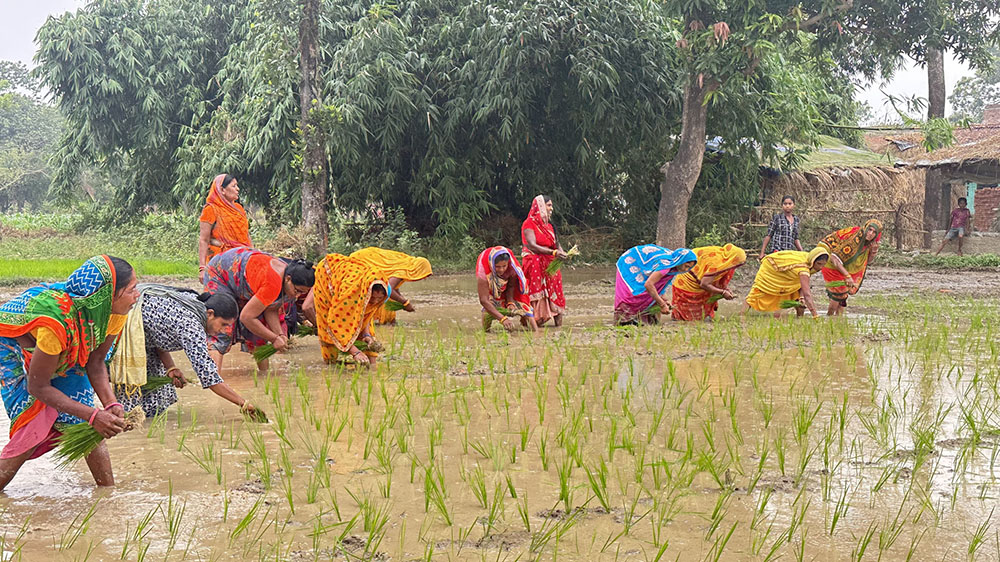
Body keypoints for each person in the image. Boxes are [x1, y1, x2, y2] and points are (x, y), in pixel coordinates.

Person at [0, 256, 139, 491]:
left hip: (68, 345)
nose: (137, 295)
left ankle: (107, 494)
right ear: (107, 296)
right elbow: (39, 387)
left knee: (84, 420)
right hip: (16, 345)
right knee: (35, 423)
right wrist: (94, 416)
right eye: (132, 289)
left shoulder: (114, 312)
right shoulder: (56, 323)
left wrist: (109, 403)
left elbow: (95, 363)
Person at [109, 285, 262, 418]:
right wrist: (243, 403)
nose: (222, 331)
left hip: (145, 338)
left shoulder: (194, 301)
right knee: (131, 406)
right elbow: (211, 379)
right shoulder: (192, 326)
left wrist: (171, 367)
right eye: (222, 324)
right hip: (127, 333)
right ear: (210, 314)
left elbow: (158, 332)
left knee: (157, 401)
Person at [202, 248, 314, 372]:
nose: (297, 296)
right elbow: (247, 317)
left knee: (259, 334)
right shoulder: (273, 283)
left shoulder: (289, 283)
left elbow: (271, 309)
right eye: (297, 291)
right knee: (223, 328)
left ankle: (264, 376)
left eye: (302, 293)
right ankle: (213, 380)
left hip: (246, 283)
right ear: (288, 279)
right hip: (220, 274)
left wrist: (280, 335)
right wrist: (274, 338)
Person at [303, 254, 390, 369]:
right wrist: (355, 352)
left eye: (379, 298)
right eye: (372, 298)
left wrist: (366, 335)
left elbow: (365, 315)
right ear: (366, 292)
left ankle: (372, 368)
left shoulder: (375, 286)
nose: (375, 301)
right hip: (327, 274)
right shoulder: (348, 295)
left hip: (350, 275)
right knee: (326, 325)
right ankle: (331, 365)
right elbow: (335, 324)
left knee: (368, 339)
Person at [614, 245, 697, 325]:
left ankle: (647, 321)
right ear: (680, 261)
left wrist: (663, 299)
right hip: (630, 261)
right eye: (686, 266)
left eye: (689, 267)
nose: (686, 270)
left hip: (645, 262)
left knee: (652, 297)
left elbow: (660, 285)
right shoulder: (665, 267)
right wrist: (662, 304)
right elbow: (649, 285)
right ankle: (625, 320)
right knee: (632, 293)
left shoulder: (674, 265)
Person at [348, 247, 433, 325]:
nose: (424, 278)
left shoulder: (406, 264)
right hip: (362, 260)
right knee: (374, 293)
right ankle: (365, 323)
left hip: (365, 254)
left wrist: (402, 300)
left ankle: (376, 322)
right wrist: (405, 302)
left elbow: (394, 288)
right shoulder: (404, 270)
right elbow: (388, 288)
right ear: (419, 269)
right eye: (425, 274)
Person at [520, 195, 568, 326]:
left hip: (551, 263)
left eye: (551, 205)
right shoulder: (528, 223)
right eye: (549, 205)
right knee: (536, 293)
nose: (551, 208)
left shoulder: (549, 226)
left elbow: (556, 243)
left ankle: (559, 328)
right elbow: (531, 245)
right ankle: (533, 323)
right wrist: (553, 252)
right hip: (534, 263)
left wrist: (562, 252)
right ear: (540, 206)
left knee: (556, 291)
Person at [818, 219, 882, 316]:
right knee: (838, 293)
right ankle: (829, 318)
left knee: (843, 297)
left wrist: (873, 252)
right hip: (830, 262)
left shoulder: (870, 243)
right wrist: (847, 276)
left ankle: (838, 322)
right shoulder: (855, 240)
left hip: (843, 265)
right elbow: (835, 258)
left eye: (874, 232)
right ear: (865, 228)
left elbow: (866, 261)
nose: (870, 234)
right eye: (869, 230)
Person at [743, 247, 829, 318]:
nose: (821, 267)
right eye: (819, 264)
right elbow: (807, 294)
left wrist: (801, 297)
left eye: (823, 265)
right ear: (813, 261)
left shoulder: (810, 260)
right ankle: (741, 316)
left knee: (799, 300)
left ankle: (799, 319)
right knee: (757, 293)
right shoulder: (803, 269)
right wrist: (815, 315)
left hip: (787, 273)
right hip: (771, 268)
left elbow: (802, 285)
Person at [671, 244, 747, 321]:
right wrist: (723, 292)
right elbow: (704, 284)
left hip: (698, 279)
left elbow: (716, 280)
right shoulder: (716, 262)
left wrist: (726, 289)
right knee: (684, 316)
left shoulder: (725, 259)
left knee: (701, 315)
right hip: (687, 283)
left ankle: (704, 318)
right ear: (732, 260)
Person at [199, 174, 253, 283]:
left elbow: (246, 235)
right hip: (221, 262)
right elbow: (203, 240)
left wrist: (254, 254)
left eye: (237, 186)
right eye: (233, 186)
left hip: (243, 259)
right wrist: (202, 268)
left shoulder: (239, 209)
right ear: (222, 190)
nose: (237, 189)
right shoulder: (211, 209)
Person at [476, 247, 540, 332]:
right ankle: (486, 332)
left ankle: (534, 331)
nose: (501, 269)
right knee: (488, 309)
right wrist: (502, 319)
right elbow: (483, 300)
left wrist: (510, 302)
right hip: (493, 289)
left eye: (504, 266)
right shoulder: (483, 269)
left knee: (528, 315)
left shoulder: (512, 266)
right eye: (497, 267)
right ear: (492, 264)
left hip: (510, 290)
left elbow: (511, 286)